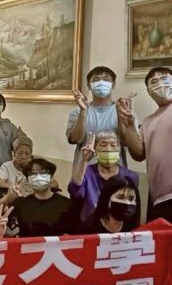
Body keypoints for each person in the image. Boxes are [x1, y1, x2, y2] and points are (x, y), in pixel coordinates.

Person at [118, 66, 172, 221]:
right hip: (159, 199)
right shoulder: (148, 122)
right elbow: (138, 154)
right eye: (154, 82)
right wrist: (129, 124)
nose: (160, 84)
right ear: (149, 91)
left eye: (165, 79)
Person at [66, 66, 135, 166]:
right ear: (89, 86)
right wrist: (83, 111)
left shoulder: (124, 111)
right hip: (84, 170)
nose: (101, 83)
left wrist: (120, 115)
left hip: (116, 170)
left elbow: (125, 142)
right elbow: (75, 139)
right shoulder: (77, 111)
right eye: (96, 80)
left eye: (106, 80)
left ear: (113, 85)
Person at [68, 131, 139, 228]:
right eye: (103, 145)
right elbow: (75, 191)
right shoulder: (86, 172)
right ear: (95, 150)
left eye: (113, 145)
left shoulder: (130, 176)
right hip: (90, 226)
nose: (108, 149)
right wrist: (84, 161)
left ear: (119, 149)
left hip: (119, 227)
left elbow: (132, 206)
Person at [10, 158, 73, 238]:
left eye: (43, 172)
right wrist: (8, 197)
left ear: (51, 178)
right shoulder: (20, 204)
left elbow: (75, 234)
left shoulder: (66, 204)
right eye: (33, 173)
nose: (38, 177)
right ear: (28, 180)